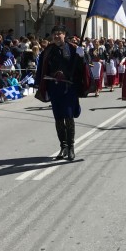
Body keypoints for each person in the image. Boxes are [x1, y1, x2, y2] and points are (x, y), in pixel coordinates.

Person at [34, 26, 90, 162]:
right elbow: (42, 68)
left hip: (69, 88)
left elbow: (83, 66)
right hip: (54, 88)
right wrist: (40, 83)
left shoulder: (73, 48)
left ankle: (71, 147)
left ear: (64, 35)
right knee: (58, 118)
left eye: (59, 33)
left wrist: (83, 56)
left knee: (69, 117)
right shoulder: (48, 51)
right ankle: (63, 146)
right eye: (54, 34)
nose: (57, 36)